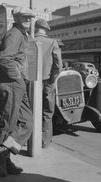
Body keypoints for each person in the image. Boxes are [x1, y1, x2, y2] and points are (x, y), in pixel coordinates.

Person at [0, 6, 35, 177]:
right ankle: (2, 158)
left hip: (18, 83)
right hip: (11, 83)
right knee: (8, 124)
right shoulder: (14, 34)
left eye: (29, 17)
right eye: (23, 17)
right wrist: (17, 77)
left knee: (27, 122)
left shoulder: (21, 34)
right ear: (15, 18)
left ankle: (3, 152)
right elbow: (4, 59)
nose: (27, 20)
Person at [35, 18, 63, 148]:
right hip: (47, 82)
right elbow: (58, 65)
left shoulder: (29, 41)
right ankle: (44, 141)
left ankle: (31, 140)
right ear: (45, 30)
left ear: (35, 28)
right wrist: (52, 80)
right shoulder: (52, 42)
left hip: (31, 83)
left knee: (31, 110)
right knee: (47, 112)